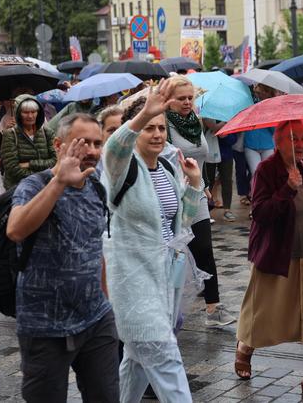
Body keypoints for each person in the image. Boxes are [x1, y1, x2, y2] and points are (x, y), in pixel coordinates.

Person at [101, 80, 205, 402]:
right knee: (165, 356)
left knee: (135, 364)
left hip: (165, 279)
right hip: (133, 282)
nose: (158, 134)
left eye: (161, 128)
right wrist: (145, 112)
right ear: (137, 133)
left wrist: (194, 184)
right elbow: (114, 147)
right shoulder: (121, 168)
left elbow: (181, 224)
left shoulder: (165, 167)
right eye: (149, 128)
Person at [6, 113, 118, 402]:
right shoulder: (34, 185)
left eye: (97, 143)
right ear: (59, 145)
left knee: (106, 397)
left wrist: (105, 301)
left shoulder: (96, 187)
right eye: (83, 143)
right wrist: (58, 183)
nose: (92, 151)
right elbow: (16, 230)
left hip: (95, 318)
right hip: (46, 324)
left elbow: (94, 247)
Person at [235, 121, 303, 398]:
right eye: (292, 138)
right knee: (264, 312)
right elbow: (260, 212)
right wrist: (286, 188)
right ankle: (245, 347)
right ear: (278, 141)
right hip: (277, 254)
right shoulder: (266, 170)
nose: (299, 144)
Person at [163, 76, 236, 326]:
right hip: (170, 196)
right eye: (180, 98)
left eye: (189, 98)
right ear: (168, 99)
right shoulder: (162, 124)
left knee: (204, 247)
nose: (186, 102)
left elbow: (201, 158)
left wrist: (203, 185)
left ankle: (213, 308)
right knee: (175, 253)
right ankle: (167, 308)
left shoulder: (194, 119)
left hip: (196, 192)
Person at [0, 95, 56, 189]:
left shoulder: (47, 133)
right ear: (18, 113)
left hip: (45, 189)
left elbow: (55, 161)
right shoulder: (10, 134)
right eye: (25, 112)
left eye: (33, 112)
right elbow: (12, 168)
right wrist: (40, 177)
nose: (30, 116)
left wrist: (29, 164)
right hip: (18, 190)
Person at [203, 118, 237, 222]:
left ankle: (227, 209)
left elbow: (233, 139)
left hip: (226, 154)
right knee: (209, 181)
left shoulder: (229, 117)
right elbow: (212, 129)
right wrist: (221, 125)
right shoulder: (206, 117)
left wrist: (226, 136)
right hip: (209, 154)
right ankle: (206, 211)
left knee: (227, 180)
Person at [244, 84, 276, 181]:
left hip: (268, 145)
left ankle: (266, 195)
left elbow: (275, 129)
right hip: (251, 145)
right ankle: (257, 195)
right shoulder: (251, 102)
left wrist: (267, 117)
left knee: (268, 173)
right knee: (256, 173)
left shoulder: (274, 105)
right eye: (259, 91)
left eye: (264, 91)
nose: (261, 93)